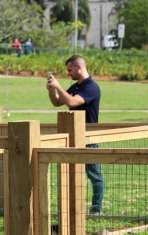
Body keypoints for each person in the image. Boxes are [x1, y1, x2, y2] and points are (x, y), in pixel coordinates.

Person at [46, 55, 104, 215]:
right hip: (74, 136)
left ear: (79, 67)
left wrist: (58, 86)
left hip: (89, 137)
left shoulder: (91, 87)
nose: (68, 74)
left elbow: (71, 102)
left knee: (94, 175)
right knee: (72, 174)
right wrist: (52, 90)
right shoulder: (76, 86)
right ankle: (72, 209)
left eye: (70, 70)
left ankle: (96, 210)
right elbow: (58, 102)